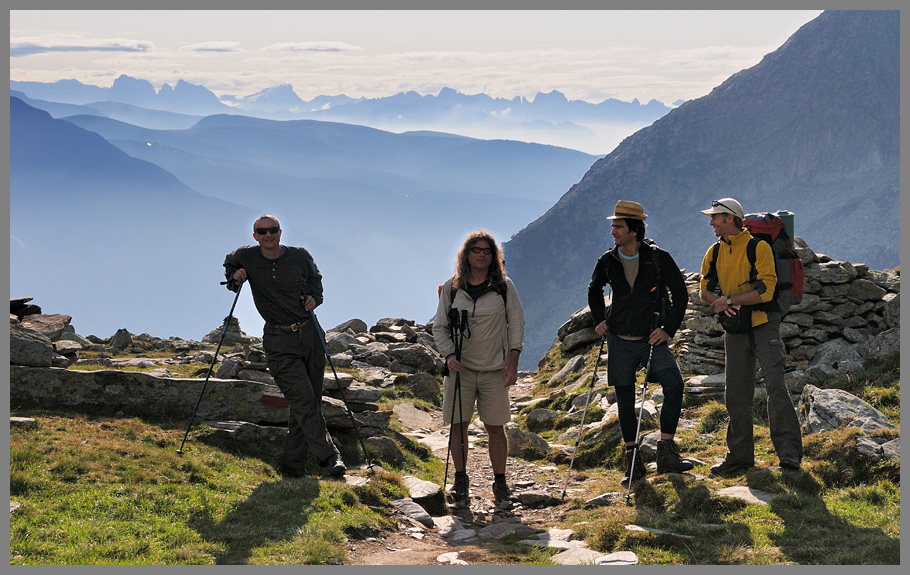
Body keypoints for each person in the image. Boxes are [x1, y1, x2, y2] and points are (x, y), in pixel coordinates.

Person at [223, 214, 346, 479]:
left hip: (310, 334)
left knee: (308, 402)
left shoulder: (300, 256)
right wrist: (235, 275)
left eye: (273, 230)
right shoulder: (247, 255)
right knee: (304, 400)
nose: (268, 235)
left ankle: (292, 466)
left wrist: (314, 298)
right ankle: (329, 457)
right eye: (262, 231)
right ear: (254, 235)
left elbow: (316, 280)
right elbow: (230, 264)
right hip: (278, 341)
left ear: (280, 232)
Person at [587, 200, 693, 486]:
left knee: (674, 385)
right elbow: (594, 290)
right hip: (620, 340)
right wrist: (599, 319)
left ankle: (666, 452)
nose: (612, 231)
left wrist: (668, 330)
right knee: (624, 400)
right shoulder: (608, 260)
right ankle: (633, 462)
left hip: (651, 340)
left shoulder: (658, 258)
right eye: (613, 226)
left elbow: (681, 295)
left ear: (634, 230)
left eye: (618, 226)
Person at [698, 198, 803, 475]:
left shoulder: (760, 247)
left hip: (764, 325)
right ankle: (740, 457)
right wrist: (719, 302)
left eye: (715, 218)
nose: (711, 222)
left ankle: (789, 454)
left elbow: (767, 290)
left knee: (776, 388)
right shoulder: (714, 251)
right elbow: (704, 288)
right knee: (735, 393)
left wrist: (730, 300)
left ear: (730, 218)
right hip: (735, 329)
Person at [433, 231, 525, 507]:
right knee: (458, 425)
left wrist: (512, 365)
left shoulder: (504, 287)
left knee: (495, 427)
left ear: (493, 255)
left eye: (486, 250)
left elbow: (516, 325)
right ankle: (460, 480)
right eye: (476, 249)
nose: (481, 254)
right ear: (467, 254)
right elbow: (440, 326)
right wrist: (449, 354)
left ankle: (500, 482)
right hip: (460, 370)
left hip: (495, 370)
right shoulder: (452, 287)